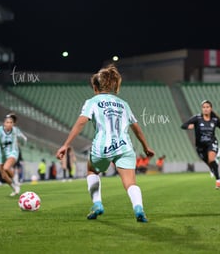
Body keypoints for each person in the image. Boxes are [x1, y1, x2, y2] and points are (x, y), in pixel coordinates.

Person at [55, 65, 154, 223]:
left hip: (103, 146)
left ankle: (97, 204)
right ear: (114, 85)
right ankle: (138, 208)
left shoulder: (93, 101)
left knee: (91, 170)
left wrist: (66, 144)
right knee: (130, 183)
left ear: (96, 87)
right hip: (124, 146)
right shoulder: (123, 104)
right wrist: (146, 147)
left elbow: (81, 122)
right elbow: (136, 128)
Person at [181, 100, 220, 190]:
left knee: (211, 159)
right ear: (202, 109)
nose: (206, 109)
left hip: (211, 143)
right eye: (204, 107)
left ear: (211, 108)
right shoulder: (197, 118)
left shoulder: (215, 120)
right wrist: (188, 126)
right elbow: (183, 125)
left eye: (207, 107)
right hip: (200, 147)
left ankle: (218, 181)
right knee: (212, 167)